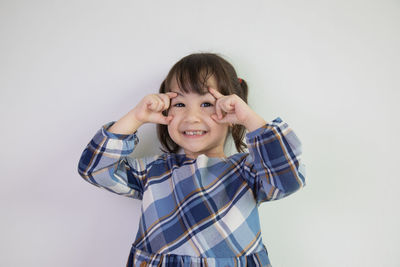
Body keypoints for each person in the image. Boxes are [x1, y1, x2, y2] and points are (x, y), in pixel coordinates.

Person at [77, 52, 306, 267]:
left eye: (206, 104)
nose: (192, 117)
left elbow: (288, 177)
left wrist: (248, 117)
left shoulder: (248, 171)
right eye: (179, 104)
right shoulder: (153, 171)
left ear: (231, 110)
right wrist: (136, 116)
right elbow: (95, 169)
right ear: (166, 111)